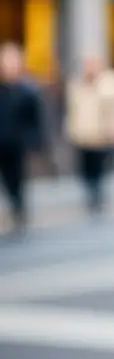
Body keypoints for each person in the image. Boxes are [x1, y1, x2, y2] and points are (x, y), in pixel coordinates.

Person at [64, 56, 114, 215]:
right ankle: (90, 192)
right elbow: (72, 109)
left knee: (100, 166)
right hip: (82, 133)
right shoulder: (77, 83)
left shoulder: (111, 83)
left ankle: (98, 194)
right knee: (85, 167)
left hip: (102, 134)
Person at [0, 43, 45, 234]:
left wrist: (34, 142)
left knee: (15, 180)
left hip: (16, 143)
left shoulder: (27, 89)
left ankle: (19, 212)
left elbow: (35, 119)